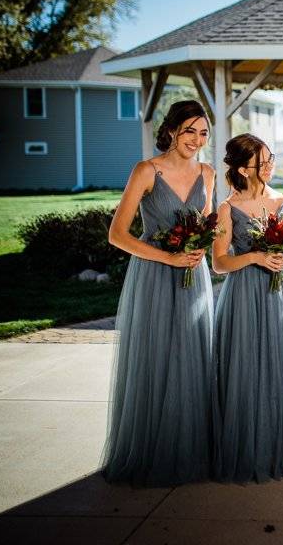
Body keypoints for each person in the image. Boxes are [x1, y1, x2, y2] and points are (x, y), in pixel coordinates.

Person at [103, 100, 215, 486]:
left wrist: (201, 247)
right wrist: (168, 257)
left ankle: (190, 448)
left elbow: (208, 225)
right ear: (170, 131)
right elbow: (117, 235)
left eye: (203, 133)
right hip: (154, 275)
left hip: (193, 275)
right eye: (189, 130)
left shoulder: (208, 173)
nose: (196, 140)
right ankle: (154, 451)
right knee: (157, 358)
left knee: (194, 358)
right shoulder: (146, 171)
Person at [210, 133, 283, 482]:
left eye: (270, 158)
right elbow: (219, 263)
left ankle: (281, 443)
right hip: (245, 295)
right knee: (247, 369)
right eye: (261, 161)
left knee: (281, 363)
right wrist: (255, 256)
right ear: (243, 169)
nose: (269, 165)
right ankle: (248, 448)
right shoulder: (227, 208)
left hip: (281, 293)